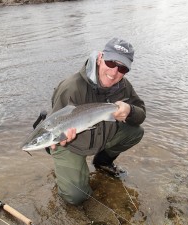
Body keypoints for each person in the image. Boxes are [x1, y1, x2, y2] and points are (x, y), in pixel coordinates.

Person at [49, 37, 146, 205]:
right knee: (76, 198)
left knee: (135, 133)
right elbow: (52, 127)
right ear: (100, 58)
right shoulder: (71, 87)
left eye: (122, 67)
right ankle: (72, 172)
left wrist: (129, 110)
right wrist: (59, 138)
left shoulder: (123, 86)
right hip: (71, 145)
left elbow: (141, 115)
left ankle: (102, 162)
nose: (114, 72)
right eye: (110, 63)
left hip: (101, 135)